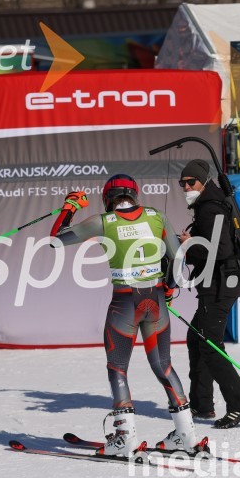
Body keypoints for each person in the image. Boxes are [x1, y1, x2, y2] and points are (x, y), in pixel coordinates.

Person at [50, 174, 203, 457]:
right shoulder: (156, 216)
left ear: (108, 199)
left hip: (125, 303)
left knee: (118, 368)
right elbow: (175, 258)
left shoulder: (103, 221)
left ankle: (125, 439)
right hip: (154, 299)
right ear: (135, 195)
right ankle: (188, 436)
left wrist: (69, 207)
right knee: (164, 365)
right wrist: (168, 289)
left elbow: (56, 241)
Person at [178, 159, 240, 429]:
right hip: (220, 282)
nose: (187, 187)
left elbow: (220, 251)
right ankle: (202, 404)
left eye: (192, 182)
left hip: (221, 284)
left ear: (204, 182)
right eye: (183, 183)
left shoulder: (210, 208)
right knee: (197, 337)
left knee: (210, 346)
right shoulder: (210, 203)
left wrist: (189, 245)